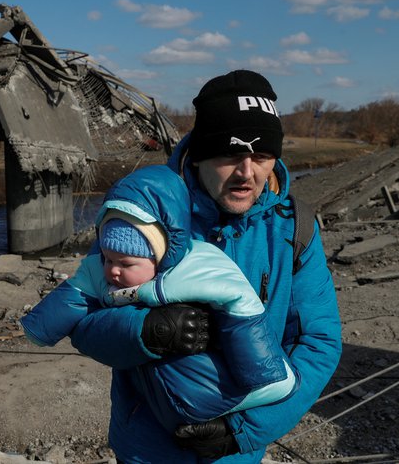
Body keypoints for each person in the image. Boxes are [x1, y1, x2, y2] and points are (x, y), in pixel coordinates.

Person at [44, 69, 342, 462]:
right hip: (148, 448)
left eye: (262, 156)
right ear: (201, 153)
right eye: (231, 155)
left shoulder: (294, 229)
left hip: (238, 451)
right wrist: (147, 332)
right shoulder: (145, 210)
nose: (247, 173)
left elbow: (318, 342)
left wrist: (243, 431)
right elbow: (82, 320)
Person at [20, 164, 299, 432]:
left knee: (227, 383)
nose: (113, 271)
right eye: (107, 259)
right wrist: (39, 329)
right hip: (145, 428)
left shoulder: (195, 266)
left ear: (158, 255)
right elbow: (72, 301)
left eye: (126, 264)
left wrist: (263, 384)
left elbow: (242, 307)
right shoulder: (103, 266)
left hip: (213, 394)